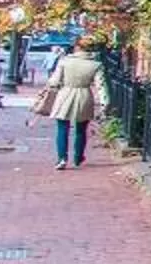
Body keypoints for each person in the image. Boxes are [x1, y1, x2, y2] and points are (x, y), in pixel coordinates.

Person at [40, 38, 106, 170]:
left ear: (77, 47)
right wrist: (105, 103)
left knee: (62, 127)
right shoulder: (96, 65)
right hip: (84, 95)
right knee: (81, 129)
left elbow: (54, 81)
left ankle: (62, 158)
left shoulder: (64, 61)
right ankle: (78, 157)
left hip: (65, 94)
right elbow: (101, 86)